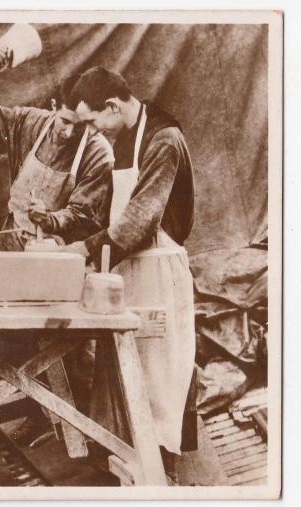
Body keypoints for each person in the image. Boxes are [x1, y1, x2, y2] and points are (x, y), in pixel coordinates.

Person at [66, 66, 196, 477]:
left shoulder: (163, 139)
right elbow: (105, 211)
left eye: (92, 122)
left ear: (111, 106)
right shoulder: (122, 140)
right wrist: (59, 226)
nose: (92, 132)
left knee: (160, 382)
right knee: (125, 377)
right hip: (127, 273)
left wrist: (84, 251)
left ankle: (162, 477)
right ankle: (128, 473)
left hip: (157, 275)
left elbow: (138, 222)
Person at [0, 47, 114, 251]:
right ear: (54, 106)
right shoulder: (29, 123)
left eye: (80, 125)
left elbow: (83, 215)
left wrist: (49, 219)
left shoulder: (99, 154)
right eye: (65, 121)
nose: (69, 133)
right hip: (11, 239)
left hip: (58, 249)